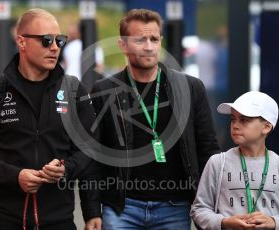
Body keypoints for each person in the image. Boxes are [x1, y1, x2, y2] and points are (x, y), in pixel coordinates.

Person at [0, 8, 101, 230]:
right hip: (5, 220)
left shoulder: (74, 90)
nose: (55, 47)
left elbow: (90, 150)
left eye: (60, 40)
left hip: (59, 221)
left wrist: (67, 171)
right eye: (46, 40)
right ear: (21, 41)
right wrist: (14, 176)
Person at [90, 9, 219, 229]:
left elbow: (207, 148)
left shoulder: (190, 88)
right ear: (123, 45)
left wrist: (213, 206)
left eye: (154, 39)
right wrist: (92, 210)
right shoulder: (104, 90)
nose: (149, 46)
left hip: (175, 206)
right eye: (140, 39)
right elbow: (94, 156)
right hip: (122, 207)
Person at [190, 91, 279, 229]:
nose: (235, 125)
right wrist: (224, 222)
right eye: (233, 119)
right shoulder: (218, 163)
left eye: (244, 120)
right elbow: (199, 210)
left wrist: (274, 222)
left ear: (266, 126)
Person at [60, 22, 104, 91]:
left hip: (68, 83)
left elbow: (64, 66)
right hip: (86, 86)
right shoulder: (95, 48)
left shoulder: (70, 46)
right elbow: (99, 69)